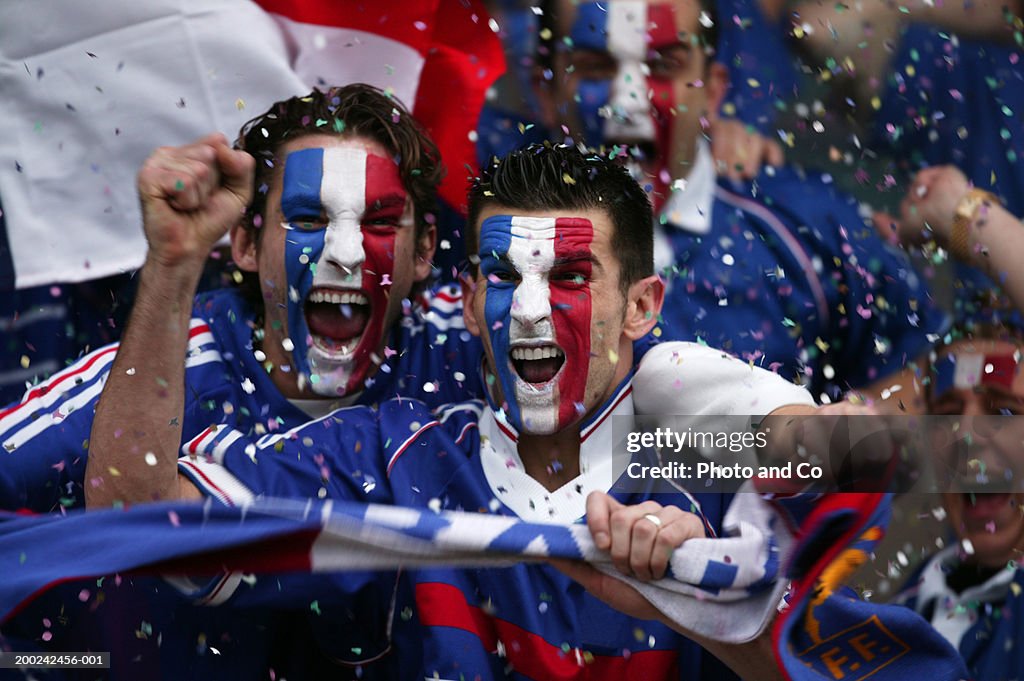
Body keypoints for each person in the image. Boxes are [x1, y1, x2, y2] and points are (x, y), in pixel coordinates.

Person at [163, 142, 822, 680]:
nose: (530, 311)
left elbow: (877, 462)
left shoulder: (685, 440)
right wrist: (172, 267)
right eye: (505, 278)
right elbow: (153, 518)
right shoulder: (397, 455)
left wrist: (704, 601)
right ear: (472, 301)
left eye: (568, 277)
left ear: (644, 307)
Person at [0, 84, 485, 513]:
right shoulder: (168, 371)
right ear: (246, 245)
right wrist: (171, 264)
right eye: (308, 222)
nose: (346, 255)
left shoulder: (471, 338)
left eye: (379, 223)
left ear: (424, 249)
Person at [534, 0, 946, 406]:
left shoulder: (804, 227)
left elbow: (930, 370)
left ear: (712, 91)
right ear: (547, 92)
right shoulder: (496, 246)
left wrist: (827, 445)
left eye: (662, 66)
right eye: (596, 67)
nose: (628, 104)